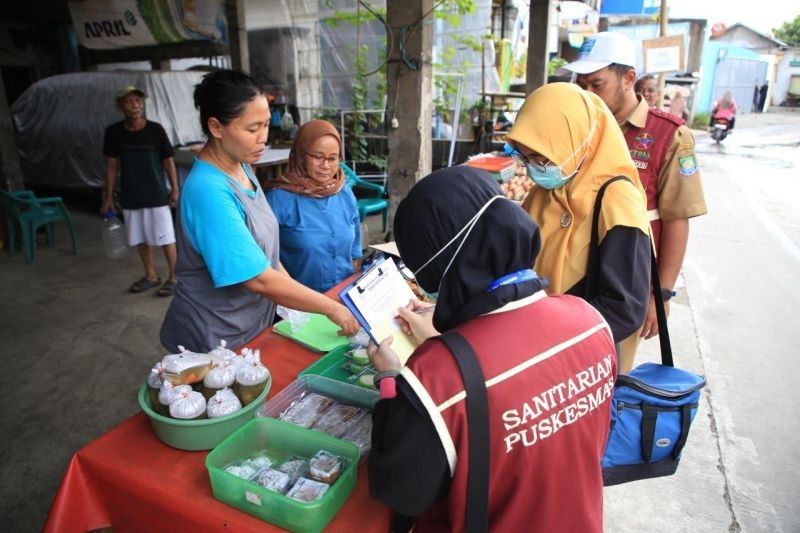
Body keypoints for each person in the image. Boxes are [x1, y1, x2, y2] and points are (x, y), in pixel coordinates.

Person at [367, 165, 617, 532]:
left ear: (436, 267)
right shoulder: (590, 321)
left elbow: (402, 492)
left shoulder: (436, 374)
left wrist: (390, 379)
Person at [160, 70, 359, 353]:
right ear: (216, 128)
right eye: (252, 129)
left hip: (253, 324)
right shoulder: (208, 190)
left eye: (266, 125)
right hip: (216, 336)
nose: (262, 138)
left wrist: (300, 303)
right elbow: (258, 277)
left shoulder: (242, 167)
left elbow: (265, 257)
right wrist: (330, 308)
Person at [560, 31, 708, 373]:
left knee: (608, 374)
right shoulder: (579, 124)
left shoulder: (668, 135)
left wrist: (662, 294)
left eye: (597, 85)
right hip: (570, 276)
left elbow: (676, 217)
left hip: (624, 285)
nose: (588, 95)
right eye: (581, 85)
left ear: (628, 79)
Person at [505, 82, 651, 348]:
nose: (533, 169)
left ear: (577, 140)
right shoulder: (543, 192)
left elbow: (624, 308)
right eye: (524, 158)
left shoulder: (617, 199)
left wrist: (552, 338)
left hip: (579, 353)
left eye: (541, 157)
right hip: (532, 342)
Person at [264, 120, 361, 293]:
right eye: (317, 157)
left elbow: (354, 254)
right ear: (301, 155)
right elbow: (264, 259)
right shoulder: (277, 200)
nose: (326, 166)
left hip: (344, 299)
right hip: (299, 306)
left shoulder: (344, 193)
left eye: (333, 159)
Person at [101, 85, 179, 297]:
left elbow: (168, 161)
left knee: (166, 237)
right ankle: (151, 275)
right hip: (131, 194)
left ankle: (174, 277)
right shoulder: (114, 132)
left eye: (138, 101)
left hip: (156, 194)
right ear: (120, 106)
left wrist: (174, 189)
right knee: (141, 237)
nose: (135, 106)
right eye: (129, 101)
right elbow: (111, 165)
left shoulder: (155, 130)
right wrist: (108, 196)